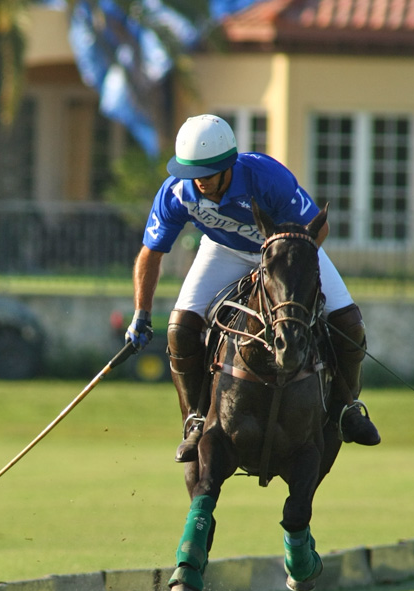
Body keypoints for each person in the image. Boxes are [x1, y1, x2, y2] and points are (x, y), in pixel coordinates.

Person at [125, 114, 380, 462]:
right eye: (192, 174)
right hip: (223, 250)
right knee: (179, 329)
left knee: (348, 322)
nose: (199, 182)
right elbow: (150, 253)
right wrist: (141, 314)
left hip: (286, 251)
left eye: (207, 174)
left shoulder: (266, 177)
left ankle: (346, 408)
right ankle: (195, 420)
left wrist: (285, 269)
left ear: (227, 166)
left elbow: (318, 228)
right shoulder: (176, 192)